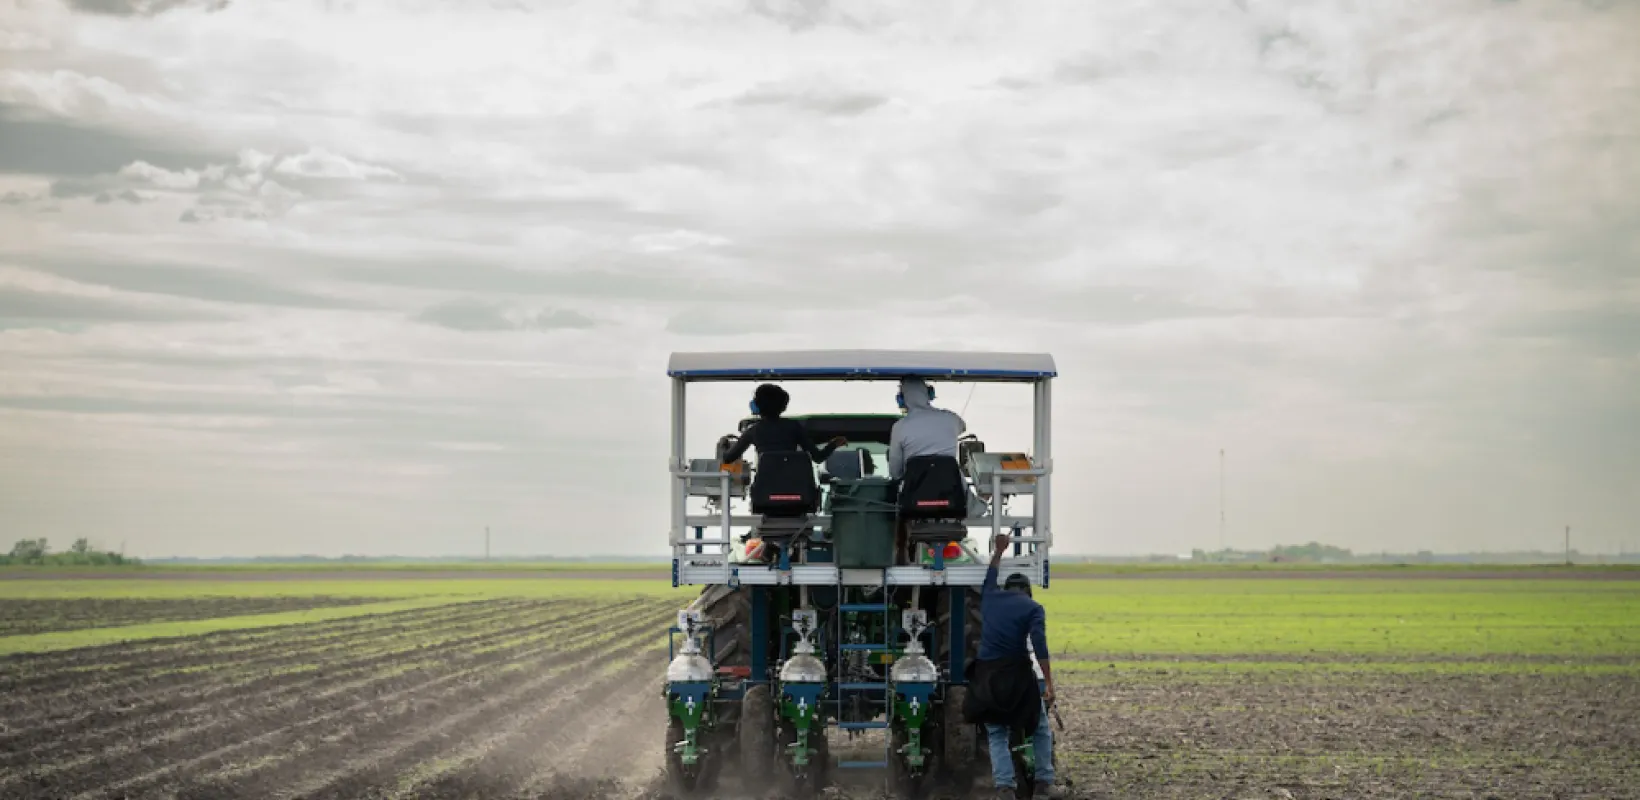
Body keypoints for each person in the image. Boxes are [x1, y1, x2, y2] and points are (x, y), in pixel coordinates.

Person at [964, 532, 1065, 799]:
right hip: (1018, 675)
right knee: (1041, 727)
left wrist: (999, 549)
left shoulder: (990, 598)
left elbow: (990, 574)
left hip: (987, 676)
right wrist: (1049, 684)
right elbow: (1040, 647)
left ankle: (1005, 788)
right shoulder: (1033, 608)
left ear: (1006, 588)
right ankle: (1044, 784)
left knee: (997, 732)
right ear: (1027, 591)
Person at [719, 383, 846, 465]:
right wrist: (833, 444)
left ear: (757, 406)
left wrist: (723, 445)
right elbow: (818, 457)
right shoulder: (794, 427)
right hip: (794, 489)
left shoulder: (753, 431)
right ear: (783, 407)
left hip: (764, 490)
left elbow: (728, 458)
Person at [886, 376, 972, 480]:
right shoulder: (950, 419)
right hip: (951, 490)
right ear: (929, 395)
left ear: (901, 399)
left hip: (913, 492)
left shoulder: (900, 426)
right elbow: (963, 427)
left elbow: (895, 471)